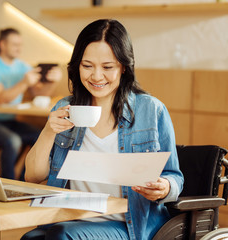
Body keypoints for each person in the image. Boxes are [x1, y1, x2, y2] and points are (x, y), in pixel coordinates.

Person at [22, 19, 184, 240]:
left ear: (124, 67)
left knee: (62, 236)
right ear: (76, 65)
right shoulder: (65, 108)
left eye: (107, 67)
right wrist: (48, 132)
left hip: (128, 225)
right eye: (87, 66)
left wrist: (164, 187)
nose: (96, 76)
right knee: (31, 238)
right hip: (70, 219)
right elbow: (32, 177)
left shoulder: (151, 110)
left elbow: (173, 176)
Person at [0, 28, 62, 180]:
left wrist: (53, 81)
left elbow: (40, 95)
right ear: (2, 45)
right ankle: (7, 183)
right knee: (12, 141)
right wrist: (24, 82)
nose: (18, 48)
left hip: (10, 121)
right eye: (14, 44)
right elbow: (1, 98)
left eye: (20, 45)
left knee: (38, 136)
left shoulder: (23, 67)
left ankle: (23, 182)